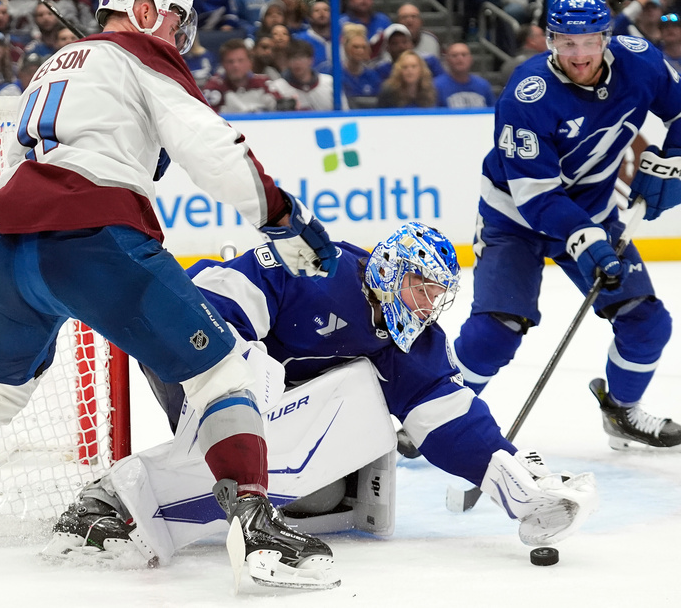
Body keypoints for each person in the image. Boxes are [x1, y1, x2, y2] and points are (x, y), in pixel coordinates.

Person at [0, 0, 342, 590]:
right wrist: (282, 215)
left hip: (10, 252)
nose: (178, 39)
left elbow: (29, 160)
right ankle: (257, 525)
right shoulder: (143, 54)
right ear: (143, 10)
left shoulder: (51, 67)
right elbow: (213, 147)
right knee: (222, 372)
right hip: (96, 244)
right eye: (173, 21)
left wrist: (138, 153)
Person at [43, 223, 598, 565]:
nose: (426, 306)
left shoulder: (407, 339)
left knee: (322, 498)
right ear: (390, 270)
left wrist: (508, 479)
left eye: (436, 297)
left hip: (255, 387)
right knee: (253, 386)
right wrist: (240, 370)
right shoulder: (314, 268)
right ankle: (110, 501)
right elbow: (210, 298)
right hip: (187, 340)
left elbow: (446, 415)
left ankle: (205, 495)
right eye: (419, 288)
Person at [451, 0, 681, 451]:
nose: (579, 55)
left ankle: (621, 411)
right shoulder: (526, 94)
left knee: (646, 322)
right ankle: (434, 412)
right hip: (514, 219)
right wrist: (584, 237)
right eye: (567, 42)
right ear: (550, 39)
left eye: (590, 41)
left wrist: (675, 159)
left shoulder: (641, 63)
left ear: (607, 37)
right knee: (493, 333)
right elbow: (535, 196)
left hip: (593, 210)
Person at [202, 37, 285, 112]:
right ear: (223, 64)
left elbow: (283, 110)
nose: (235, 65)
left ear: (250, 62)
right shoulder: (214, 86)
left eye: (240, 60)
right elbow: (206, 116)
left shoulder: (263, 82)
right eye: (230, 61)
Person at [269, 38, 336, 110]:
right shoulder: (277, 87)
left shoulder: (330, 82)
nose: (297, 62)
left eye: (301, 57)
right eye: (292, 58)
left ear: (311, 60)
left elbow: (343, 111)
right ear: (287, 62)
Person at [434, 43, 495, 108]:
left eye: (464, 55)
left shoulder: (483, 85)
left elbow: (493, 110)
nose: (460, 58)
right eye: (454, 55)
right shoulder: (436, 86)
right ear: (447, 60)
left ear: (471, 59)